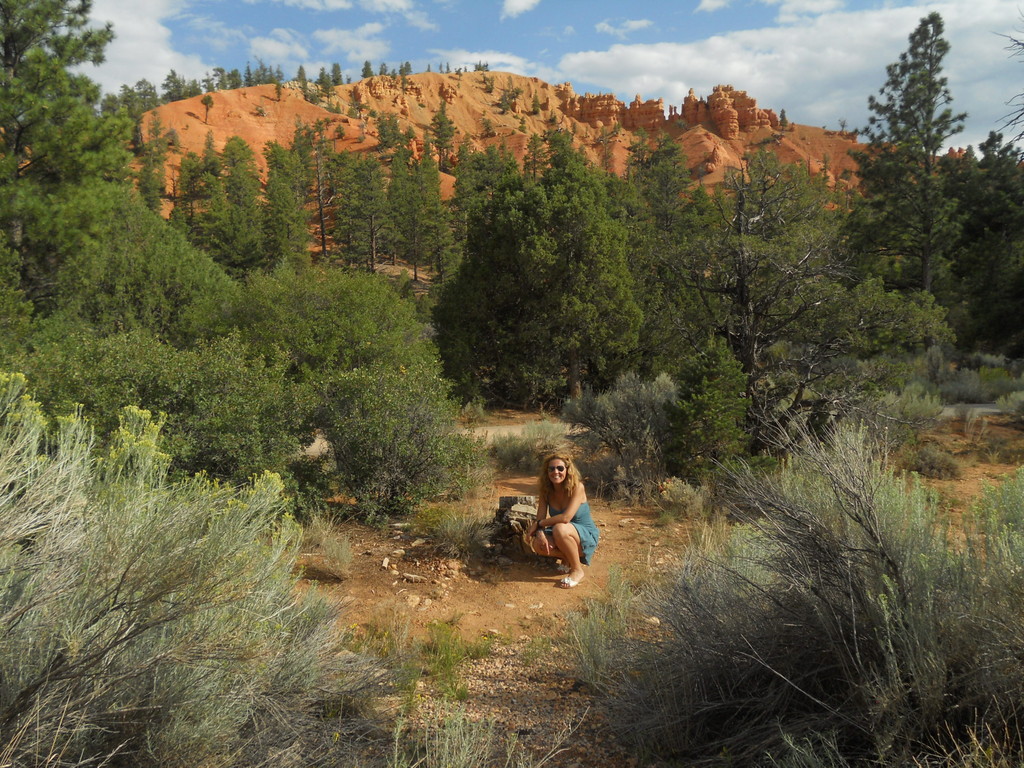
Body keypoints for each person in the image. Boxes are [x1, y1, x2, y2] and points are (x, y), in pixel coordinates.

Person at [527, 453, 599, 588]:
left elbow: (566, 518)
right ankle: (567, 558)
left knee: (560, 527)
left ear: (567, 470)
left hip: (584, 536)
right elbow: (540, 516)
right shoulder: (545, 491)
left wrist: (539, 524)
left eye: (560, 468)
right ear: (546, 472)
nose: (556, 472)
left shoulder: (577, 487)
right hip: (561, 533)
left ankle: (577, 570)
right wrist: (540, 533)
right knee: (537, 544)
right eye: (551, 468)